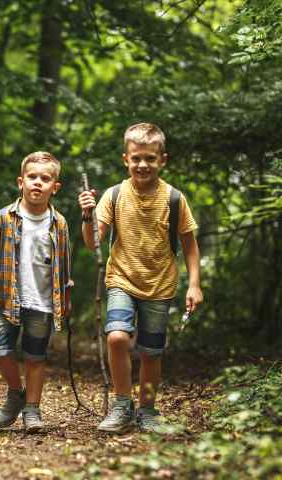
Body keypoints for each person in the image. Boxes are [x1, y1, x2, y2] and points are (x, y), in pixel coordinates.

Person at [77, 123, 202, 433]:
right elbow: (93, 242)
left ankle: (147, 411)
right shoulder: (114, 195)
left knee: (151, 352)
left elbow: (189, 245)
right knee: (117, 337)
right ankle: (121, 404)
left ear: (163, 160)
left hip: (160, 285)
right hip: (121, 278)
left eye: (149, 158)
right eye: (136, 159)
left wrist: (195, 284)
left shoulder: (174, 199)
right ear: (125, 159)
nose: (142, 165)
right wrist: (86, 216)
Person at [0, 152, 72, 433]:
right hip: (6, 300)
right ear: (21, 182)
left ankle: (32, 409)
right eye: (32, 177)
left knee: (35, 356)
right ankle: (16, 392)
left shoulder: (59, 223)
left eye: (45, 178)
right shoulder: (5, 217)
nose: (37, 183)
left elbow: (64, 265)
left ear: (55, 186)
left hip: (42, 302)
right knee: (0, 349)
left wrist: (66, 298)